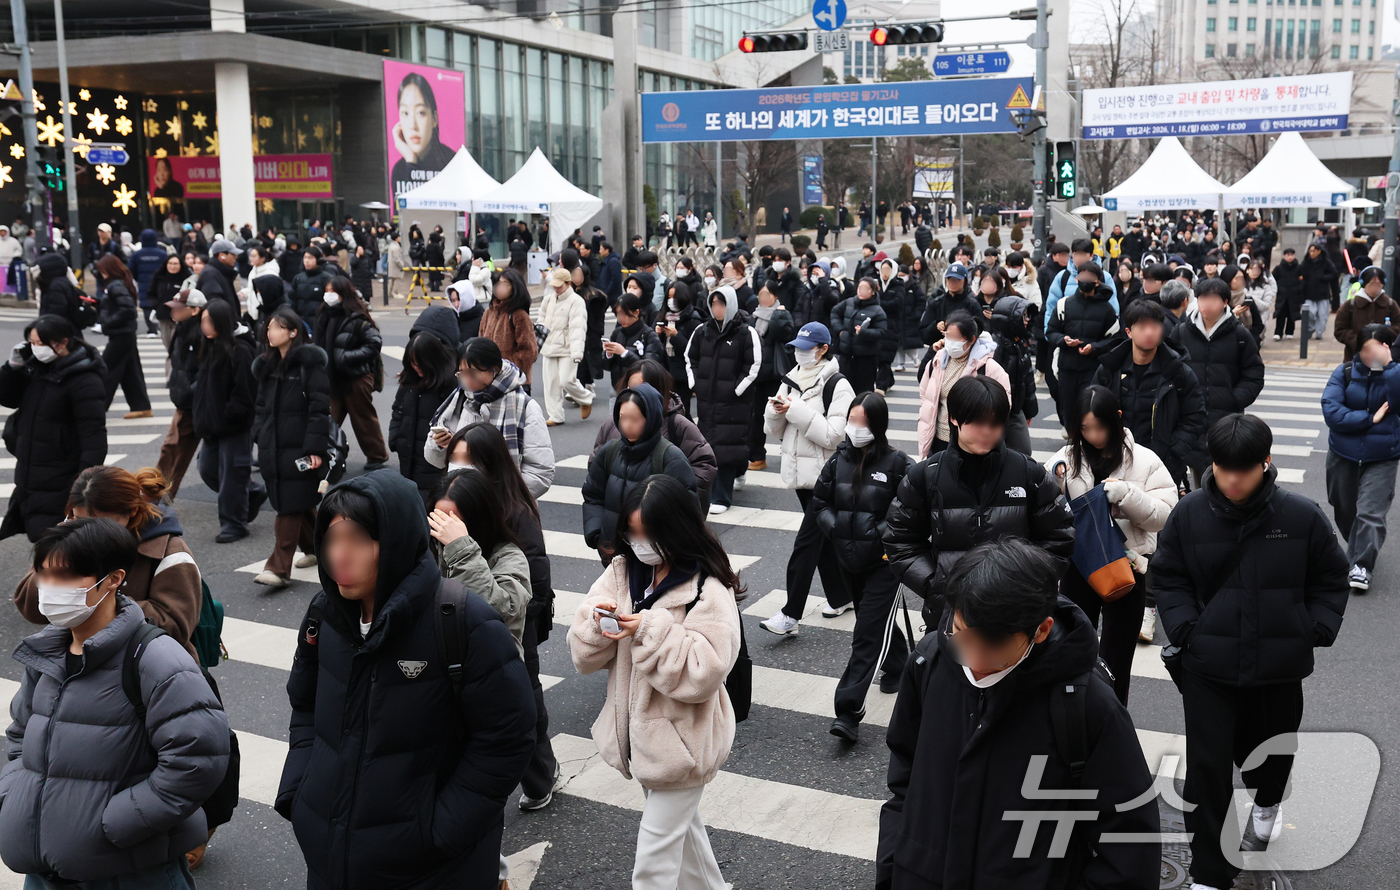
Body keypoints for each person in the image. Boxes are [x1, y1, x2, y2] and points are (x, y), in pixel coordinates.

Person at [277, 472, 536, 890]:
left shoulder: (462, 620)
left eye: (358, 539)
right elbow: (304, 705)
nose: (339, 555)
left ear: (396, 539)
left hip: (430, 870)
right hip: (331, 857)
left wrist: (439, 832)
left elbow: (508, 737)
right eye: (330, 538)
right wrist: (300, 792)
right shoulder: (324, 614)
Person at [876, 538, 1160, 890]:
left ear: (1040, 630)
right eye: (962, 636)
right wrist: (892, 868)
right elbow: (904, 778)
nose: (975, 661)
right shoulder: (929, 662)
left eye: (993, 646)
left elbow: (1130, 840)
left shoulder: (1086, 705)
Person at [1150, 414, 1348, 890]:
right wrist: (1184, 627)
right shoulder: (1190, 512)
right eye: (1223, 467)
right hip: (1206, 667)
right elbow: (1168, 575)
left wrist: (1314, 627)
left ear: (1267, 462)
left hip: (1278, 668)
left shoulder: (1300, 516)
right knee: (1207, 771)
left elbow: (1331, 576)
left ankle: (1268, 800)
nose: (1233, 479)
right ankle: (1209, 873)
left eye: (1244, 468)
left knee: (1272, 754)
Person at [0, 517, 231, 890]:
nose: (49, 588)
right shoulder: (47, 652)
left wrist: (114, 824)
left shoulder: (155, 658)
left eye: (65, 577)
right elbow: (20, 735)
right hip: (45, 870)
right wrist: (14, 797)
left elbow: (198, 759)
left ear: (112, 580)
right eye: (42, 574)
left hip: (130, 872)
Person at [568, 474, 743, 890]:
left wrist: (648, 629)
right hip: (646, 742)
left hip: (684, 745)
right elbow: (583, 654)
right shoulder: (623, 570)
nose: (640, 543)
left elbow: (704, 671)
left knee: (653, 865)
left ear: (675, 530)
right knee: (686, 844)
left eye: (648, 534)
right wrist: (598, 620)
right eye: (632, 532)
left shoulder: (706, 587)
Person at [884, 375, 1075, 628]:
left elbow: (1059, 536)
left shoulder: (1028, 473)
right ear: (954, 418)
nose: (987, 432)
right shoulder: (926, 475)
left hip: (1015, 613)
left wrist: (1028, 584)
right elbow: (900, 538)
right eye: (977, 422)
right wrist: (936, 585)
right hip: (950, 614)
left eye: (995, 424)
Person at [436, 421, 560, 809]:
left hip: (517, 631)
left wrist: (522, 629)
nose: (459, 469)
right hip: (455, 655)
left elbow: (521, 591)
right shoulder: (441, 522)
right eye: (454, 459)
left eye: (468, 461)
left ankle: (540, 778)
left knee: (524, 711)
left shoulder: (513, 513)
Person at [1046, 385, 1177, 704]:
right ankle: (1075, 717)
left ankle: (1112, 720)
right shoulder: (1066, 458)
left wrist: (1128, 495)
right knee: (1073, 651)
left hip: (1128, 569)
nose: (1093, 436)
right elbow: (1043, 505)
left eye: (1100, 427)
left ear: (1117, 419)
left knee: (1117, 661)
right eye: (1085, 428)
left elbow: (1164, 515)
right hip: (1079, 566)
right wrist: (1054, 481)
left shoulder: (1145, 461)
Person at [13, 466, 201, 658]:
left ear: (132, 512)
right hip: (81, 658)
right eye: (79, 520)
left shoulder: (168, 552)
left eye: (100, 524)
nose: (87, 533)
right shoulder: (68, 541)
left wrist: (103, 604)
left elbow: (176, 627)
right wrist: (56, 557)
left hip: (146, 664)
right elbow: (30, 608)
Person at [811, 392, 914, 741]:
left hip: (885, 563)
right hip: (848, 558)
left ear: (878, 425)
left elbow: (910, 508)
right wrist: (837, 528)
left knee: (867, 634)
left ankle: (849, 709)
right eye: (852, 420)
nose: (856, 428)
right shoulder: (837, 461)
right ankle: (899, 661)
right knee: (875, 621)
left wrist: (881, 536)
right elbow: (820, 501)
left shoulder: (898, 463)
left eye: (864, 422)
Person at [760, 323, 856, 634]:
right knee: (824, 541)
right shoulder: (791, 379)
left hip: (826, 478)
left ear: (823, 349)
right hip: (800, 475)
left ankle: (790, 614)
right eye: (797, 348)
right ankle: (843, 595)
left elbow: (834, 436)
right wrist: (776, 411)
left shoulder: (838, 385)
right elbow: (773, 431)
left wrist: (796, 410)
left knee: (805, 544)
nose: (800, 353)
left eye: (807, 348)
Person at [0, 315, 107, 542]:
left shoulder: (85, 380)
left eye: (40, 343)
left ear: (61, 343)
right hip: (32, 468)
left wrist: (83, 484)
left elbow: (93, 435)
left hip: (61, 474)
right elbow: (8, 398)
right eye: (31, 342)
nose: (34, 348)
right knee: (42, 535)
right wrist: (13, 368)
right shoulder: (37, 369)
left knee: (56, 542)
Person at [249, 307, 333, 586]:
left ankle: (278, 568)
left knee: (289, 505)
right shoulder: (267, 365)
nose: (269, 332)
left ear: (293, 332)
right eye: (269, 327)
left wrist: (315, 450)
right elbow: (260, 406)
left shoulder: (310, 366)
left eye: (276, 327)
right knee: (299, 502)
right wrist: (259, 434)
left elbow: (320, 411)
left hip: (300, 448)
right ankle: (317, 548)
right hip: (273, 445)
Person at [1092, 298, 1205, 490]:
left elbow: (1195, 417)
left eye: (1155, 326)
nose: (1149, 332)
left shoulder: (1178, 372)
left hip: (1161, 466)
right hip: (1113, 464)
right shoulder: (1109, 370)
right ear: (1128, 332)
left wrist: (1173, 453)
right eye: (1142, 326)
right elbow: (1091, 411)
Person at [1321, 323, 1400, 592]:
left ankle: (1362, 566)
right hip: (1343, 453)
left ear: (1387, 349)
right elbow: (1332, 413)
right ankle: (1357, 546)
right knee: (1343, 507)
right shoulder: (1344, 372)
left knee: (1370, 513)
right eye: (1366, 350)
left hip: (1383, 456)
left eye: (1376, 350)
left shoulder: (1395, 374)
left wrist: (1389, 367)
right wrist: (1370, 419)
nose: (1371, 356)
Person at [582, 382, 698, 561]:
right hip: (613, 554)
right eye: (622, 417)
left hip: (656, 558)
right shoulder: (610, 451)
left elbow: (686, 513)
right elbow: (593, 496)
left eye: (634, 419)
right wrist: (597, 535)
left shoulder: (670, 457)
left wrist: (664, 550)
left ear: (651, 417)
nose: (627, 425)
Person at [426, 337, 555, 497]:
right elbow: (436, 461)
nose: (467, 381)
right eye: (462, 373)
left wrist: (498, 498)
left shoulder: (524, 407)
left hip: (506, 510)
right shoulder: (459, 400)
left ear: (494, 369)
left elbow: (541, 472)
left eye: (472, 373)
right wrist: (438, 445)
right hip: (462, 503)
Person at [429, 467, 533, 655]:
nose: (444, 529)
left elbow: (500, 612)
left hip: (490, 666)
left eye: (454, 522)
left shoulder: (509, 556)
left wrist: (461, 549)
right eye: (438, 520)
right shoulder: (429, 549)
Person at [1171, 277, 1265, 482]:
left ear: (1225, 302)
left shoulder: (1239, 334)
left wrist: (1235, 398)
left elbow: (1254, 373)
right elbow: (1168, 369)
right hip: (1191, 417)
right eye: (1203, 298)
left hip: (1226, 418)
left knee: (1225, 473)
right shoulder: (1181, 332)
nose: (1207, 304)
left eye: (1213, 298)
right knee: (1198, 478)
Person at [192, 299, 266, 543]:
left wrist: (226, 414)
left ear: (221, 322)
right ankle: (254, 492)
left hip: (234, 427)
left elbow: (245, 393)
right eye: (202, 321)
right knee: (208, 470)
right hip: (212, 426)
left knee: (231, 478)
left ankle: (234, 524)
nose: (203, 326)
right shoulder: (210, 345)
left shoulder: (240, 350)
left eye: (208, 321)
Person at [685, 285, 761, 514]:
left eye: (722, 304)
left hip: (734, 402)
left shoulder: (746, 333)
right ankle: (732, 476)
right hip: (708, 400)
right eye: (714, 304)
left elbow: (754, 365)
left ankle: (722, 497)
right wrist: (695, 384)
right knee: (709, 445)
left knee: (727, 446)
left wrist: (737, 390)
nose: (717, 308)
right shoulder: (702, 330)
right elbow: (690, 357)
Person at [317, 277, 389, 471]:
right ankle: (323, 456)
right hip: (331, 378)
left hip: (356, 377)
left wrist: (347, 357)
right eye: (327, 290)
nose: (328, 295)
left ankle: (377, 456)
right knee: (327, 419)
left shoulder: (357, 318)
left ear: (344, 294)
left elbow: (374, 343)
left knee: (363, 418)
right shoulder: (325, 315)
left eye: (333, 291)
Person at [917, 311, 1011, 458]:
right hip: (939, 440)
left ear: (971, 340)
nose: (950, 342)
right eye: (948, 336)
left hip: (972, 443)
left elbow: (1003, 404)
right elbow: (925, 393)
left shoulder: (988, 367)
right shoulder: (938, 361)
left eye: (956, 338)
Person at [1046, 261, 1121, 431]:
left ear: (1097, 282)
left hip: (1093, 368)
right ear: (1077, 278)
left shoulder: (1107, 309)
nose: (1085, 279)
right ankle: (1072, 446)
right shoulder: (1064, 304)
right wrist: (1063, 340)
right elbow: (1051, 332)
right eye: (1082, 275)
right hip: (1067, 367)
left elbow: (1114, 339)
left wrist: (1094, 347)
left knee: (1089, 409)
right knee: (1068, 410)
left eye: (1090, 276)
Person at [156, 288, 206, 497]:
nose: (173, 312)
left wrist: (190, 392)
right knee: (172, 448)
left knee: (176, 450)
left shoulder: (201, 332)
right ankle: (156, 492)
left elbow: (204, 370)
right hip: (184, 400)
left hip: (192, 402)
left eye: (179, 308)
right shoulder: (182, 327)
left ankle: (158, 494)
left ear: (194, 310)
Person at [92, 254, 153, 420]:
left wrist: (108, 322)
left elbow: (128, 310)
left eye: (102, 269)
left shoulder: (115, 286)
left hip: (121, 334)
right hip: (125, 333)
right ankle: (141, 406)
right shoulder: (118, 284)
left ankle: (97, 408)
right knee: (130, 372)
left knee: (106, 370)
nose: (100, 272)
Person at [745, 281, 796, 471]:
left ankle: (791, 453)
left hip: (776, 375)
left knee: (784, 416)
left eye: (767, 295)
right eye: (761, 295)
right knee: (756, 417)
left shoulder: (782, 315)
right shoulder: (754, 316)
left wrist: (778, 315)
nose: (763, 299)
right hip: (757, 375)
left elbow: (786, 335)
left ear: (775, 296)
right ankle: (757, 456)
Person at [538, 266, 594, 425]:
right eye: (554, 285)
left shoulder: (577, 301)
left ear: (568, 283)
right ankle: (555, 416)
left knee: (566, 380)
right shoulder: (548, 299)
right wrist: (539, 339)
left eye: (559, 285)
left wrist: (577, 353)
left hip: (567, 347)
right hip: (549, 346)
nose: (556, 288)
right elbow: (541, 319)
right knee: (550, 384)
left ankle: (586, 398)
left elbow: (578, 328)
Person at [988, 295, 1038, 456]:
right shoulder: (994, 346)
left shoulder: (1021, 342)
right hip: (993, 412)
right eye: (1023, 316)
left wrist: (1029, 410)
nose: (1027, 320)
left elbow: (1027, 379)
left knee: (1023, 452)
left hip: (1015, 409)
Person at [479, 268, 538, 389]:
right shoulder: (489, 312)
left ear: (515, 288)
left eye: (505, 284)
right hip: (490, 379)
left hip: (515, 381)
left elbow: (529, 351)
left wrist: (507, 369)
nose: (500, 287)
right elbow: (480, 340)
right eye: (499, 283)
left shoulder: (519, 315)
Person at [830, 277, 888, 395]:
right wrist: (840, 330)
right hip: (846, 355)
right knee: (844, 389)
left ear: (873, 291)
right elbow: (834, 312)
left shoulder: (878, 310)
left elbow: (881, 332)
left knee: (863, 391)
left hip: (866, 357)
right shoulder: (849, 302)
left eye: (865, 288)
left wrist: (864, 333)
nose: (861, 291)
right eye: (860, 287)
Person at [1334, 266, 1400, 362]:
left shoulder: (1390, 304)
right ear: (1364, 284)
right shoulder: (1351, 305)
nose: (1375, 288)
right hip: (1354, 356)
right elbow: (1340, 329)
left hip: (1382, 357)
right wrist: (1359, 341)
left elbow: (1398, 326)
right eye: (1372, 284)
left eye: (1378, 284)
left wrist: (1383, 337)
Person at [657, 280, 703, 412]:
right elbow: (656, 347)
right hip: (665, 371)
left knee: (681, 410)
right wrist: (658, 334)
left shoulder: (693, 319)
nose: (671, 301)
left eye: (675, 298)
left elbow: (693, 350)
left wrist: (676, 336)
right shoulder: (664, 316)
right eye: (669, 297)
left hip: (682, 374)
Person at [605, 292, 665, 390]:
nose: (620, 319)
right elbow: (606, 366)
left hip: (641, 388)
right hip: (617, 387)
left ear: (636, 312)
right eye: (618, 314)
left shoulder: (649, 335)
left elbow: (648, 367)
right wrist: (609, 354)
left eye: (624, 314)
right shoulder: (617, 333)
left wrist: (625, 353)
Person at [147, 253, 188, 353]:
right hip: (163, 316)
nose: (172, 266)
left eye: (175, 264)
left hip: (180, 317)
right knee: (167, 343)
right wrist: (156, 305)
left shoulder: (186, 279)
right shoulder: (159, 277)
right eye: (170, 263)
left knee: (178, 345)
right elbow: (151, 293)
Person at [1300, 238, 1339, 340]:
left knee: (1322, 315)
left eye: (1314, 251)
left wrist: (1324, 277)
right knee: (1310, 313)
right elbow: (1301, 273)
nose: (1311, 253)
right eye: (1310, 251)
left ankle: (1319, 332)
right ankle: (1310, 328)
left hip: (1322, 293)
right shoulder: (1306, 262)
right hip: (1309, 292)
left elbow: (1334, 274)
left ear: (1319, 251)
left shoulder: (1326, 262)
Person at [36, 252, 83, 328]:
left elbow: (56, 311)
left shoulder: (55, 287)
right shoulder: (63, 282)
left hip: (58, 331)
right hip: (69, 328)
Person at [291, 246, 335, 320]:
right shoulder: (298, 278)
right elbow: (292, 299)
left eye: (310, 258)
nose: (306, 261)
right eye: (305, 257)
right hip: (300, 319)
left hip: (319, 320)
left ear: (318, 260)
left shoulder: (327, 278)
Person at [1270, 246, 1305, 340]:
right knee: (1280, 314)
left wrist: (1299, 288)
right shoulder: (1279, 268)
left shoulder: (1298, 268)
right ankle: (1278, 333)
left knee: (1292, 314)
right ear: (1284, 256)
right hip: (1282, 295)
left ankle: (1290, 332)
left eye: (1292, 255)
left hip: (1294, 295)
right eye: (1288, 255)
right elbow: (1272, 280)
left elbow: (1303, 280)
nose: (1290, 257)